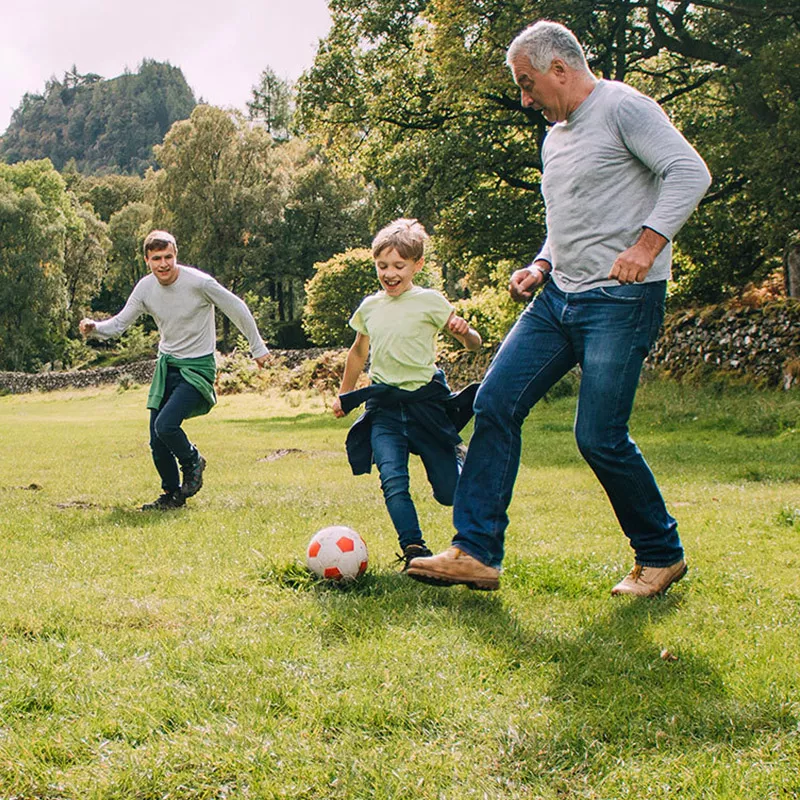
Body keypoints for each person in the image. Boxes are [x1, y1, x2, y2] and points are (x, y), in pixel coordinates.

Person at [407, 20, 711, 595]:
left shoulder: (624, 107)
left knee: (599, 435)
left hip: (620, 301)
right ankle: (475, 551)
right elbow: (567, 216)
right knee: (494, 401)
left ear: (560, 70)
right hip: (558, 298)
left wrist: (647, 246)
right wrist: (542, 264)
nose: (525, 98)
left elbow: (689, 172)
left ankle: (660, 554)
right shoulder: (556, 136)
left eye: (527, 84)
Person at [80, 230, 270, 511]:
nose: (163, 264)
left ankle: (193, 460)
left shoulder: (199, 283)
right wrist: (95, 327)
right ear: (147, 260)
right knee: (157, 441)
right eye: (156, 258)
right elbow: (119, 324)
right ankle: (171, 495)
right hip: (167, 366)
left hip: (197, 368)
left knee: (166, 425)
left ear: (175, 255)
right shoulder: (145, 288)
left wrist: (258, 348)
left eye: (168, 257)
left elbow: (237, 308)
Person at [332, 219, 482, 568]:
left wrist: (465, 332)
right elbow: (357, 352)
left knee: (449, 494)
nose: (389, 273)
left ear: (417, 265)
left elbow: (473, 344)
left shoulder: (430, 301)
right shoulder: (370, 307)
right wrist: (344, 394)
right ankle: (415, 549)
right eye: (382, 266)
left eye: (399, 266)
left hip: (425, 407)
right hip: (383, 407)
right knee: (393, 480)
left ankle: (458, 458)